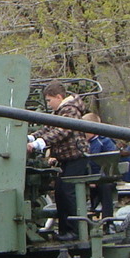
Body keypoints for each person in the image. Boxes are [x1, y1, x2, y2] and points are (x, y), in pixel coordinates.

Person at [29, 83, 91, 242]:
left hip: (76, 157)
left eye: (50, 100)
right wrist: (32, 137)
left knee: (69, 193)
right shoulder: (61, 111)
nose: (48, 104)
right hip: (66, 159)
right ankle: (64, 231)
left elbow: (62, 130)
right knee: (60, 193)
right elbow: (48, 128)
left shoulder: (70, 110)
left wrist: (40, 143)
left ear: (59, 97)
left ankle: (76, 231)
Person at [82, 113, 118, 221]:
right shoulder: (84, 143)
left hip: (103, 177)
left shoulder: (105, 142)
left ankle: (108, 221)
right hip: (89, 177)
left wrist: (96, 178)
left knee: (105, 188)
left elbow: (111, 161)